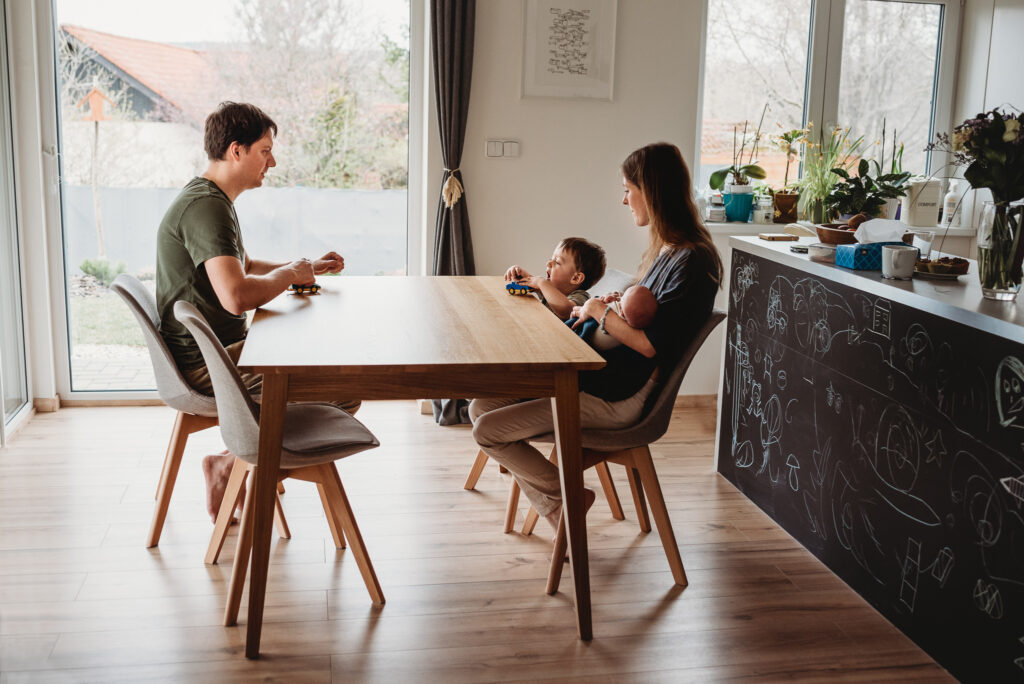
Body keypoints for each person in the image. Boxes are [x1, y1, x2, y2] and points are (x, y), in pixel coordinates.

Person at [470, 142, 722, 534]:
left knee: (487, 429)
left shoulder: (692, 261)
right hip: (600, 379)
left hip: (618, 397)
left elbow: (650, 344)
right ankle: (558, 506)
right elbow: (641, 322)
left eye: (627, 189)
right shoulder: (670, 252)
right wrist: (614, 303)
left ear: (650, 190)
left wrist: (598, 310)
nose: (624, 200)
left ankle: (566, 495)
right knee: (481, 406)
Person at [155, 101, 356, 521]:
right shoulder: (207, 207)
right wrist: (289, 275)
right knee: (344, 388)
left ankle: (236, 459)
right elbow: (237, 296)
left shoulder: (210, 199)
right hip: (208, 365)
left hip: (221, 351)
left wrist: (304, 268)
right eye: (265, 151)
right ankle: (234, 465)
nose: (273, 161)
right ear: (236, 151)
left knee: (324, 370)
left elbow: (241, 268)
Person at [504, 237, 607, 320]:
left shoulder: (581, 297)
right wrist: (522, 276)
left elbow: (566, 310)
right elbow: (537, 287)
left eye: (557, 262)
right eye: (551, 259)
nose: (548, 263)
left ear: (576, 278)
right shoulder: (553, 290)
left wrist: (542, 283)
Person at [569, 284, 658, 351]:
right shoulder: (630, 313)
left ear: (622, 313)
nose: (618, 298)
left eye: (621, 299)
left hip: (586, 339)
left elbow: (604, 306)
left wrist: (601, 302)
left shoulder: (618, 320)